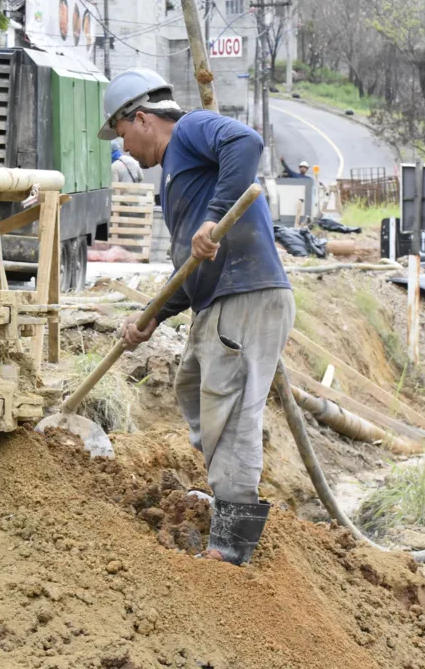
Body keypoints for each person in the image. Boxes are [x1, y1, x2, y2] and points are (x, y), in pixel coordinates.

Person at [97, 67, 294, 566]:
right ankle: (226, 494)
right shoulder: (174, 179)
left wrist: (216, 215)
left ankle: (232, 541)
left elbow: (246, 142)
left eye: (121, 136)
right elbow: (190, 270)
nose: (123, 151)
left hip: (246, 293)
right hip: (218, 298)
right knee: (191, 386)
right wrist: (151, 318)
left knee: (229, 413)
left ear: (141, 119)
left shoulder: (190, 130)